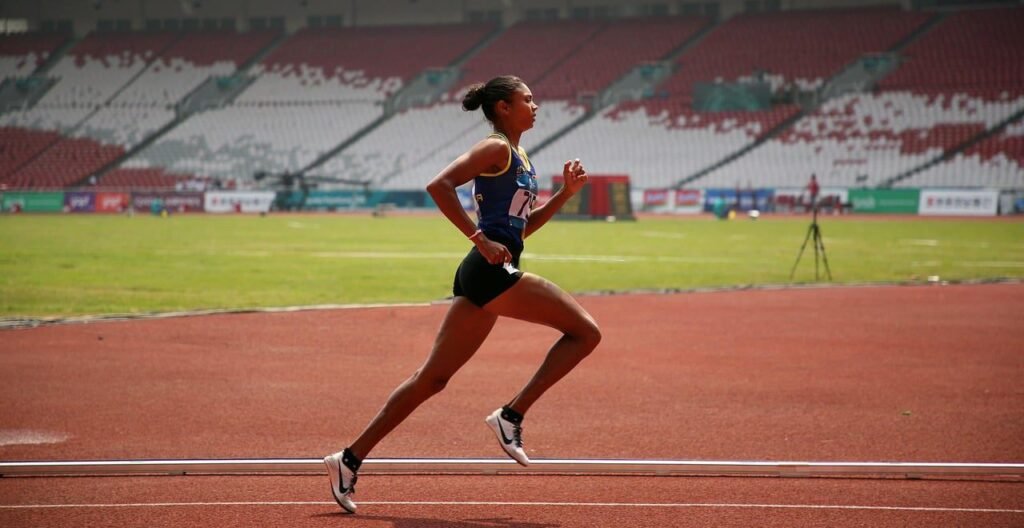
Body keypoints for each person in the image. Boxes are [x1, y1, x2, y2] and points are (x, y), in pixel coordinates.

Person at [323, 75, 601, 514]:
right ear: (504, 108)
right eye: (526, 99)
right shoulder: (496, 149)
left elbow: (522, 228)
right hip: (488, 269)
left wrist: (566, 194)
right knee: (585, 333)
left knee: (432, 379)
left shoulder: (521, 156)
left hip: (486, 271)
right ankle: (511, 415)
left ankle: (348, 459)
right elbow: (439, 185)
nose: (536, 105)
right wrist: (479, 239)